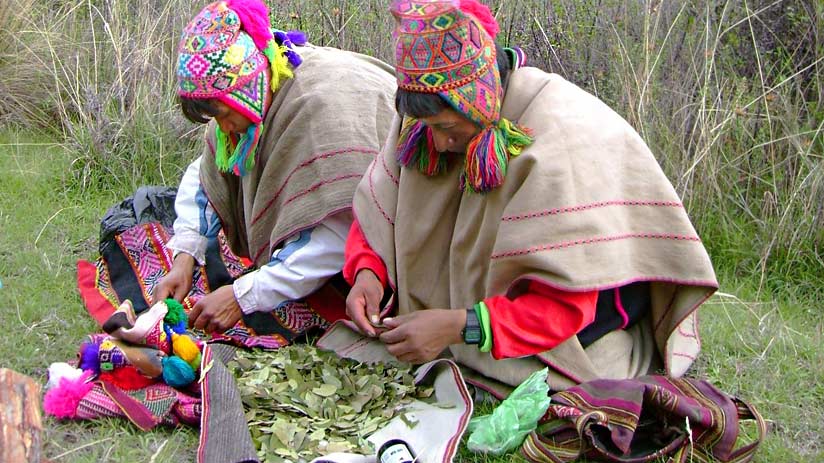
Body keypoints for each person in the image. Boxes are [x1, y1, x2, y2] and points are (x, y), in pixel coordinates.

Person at [344, 0, 719, 391]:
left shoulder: (559, 143)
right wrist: (369, 274)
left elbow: (562, 309)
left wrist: (459, 326)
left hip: (584, 309)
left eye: (447, 127)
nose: (437, 143)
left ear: (479, 99)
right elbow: (381, 212)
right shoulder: (424, 125)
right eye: (428, 128)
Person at [152, 0, 396, 337]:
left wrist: (244, 295)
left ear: (248, 90)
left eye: (222, 115)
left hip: (387, 217)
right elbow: (207, 172)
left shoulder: (315, 114)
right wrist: (185, 256)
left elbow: (338, 236)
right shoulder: (250, 96)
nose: (222, 128)